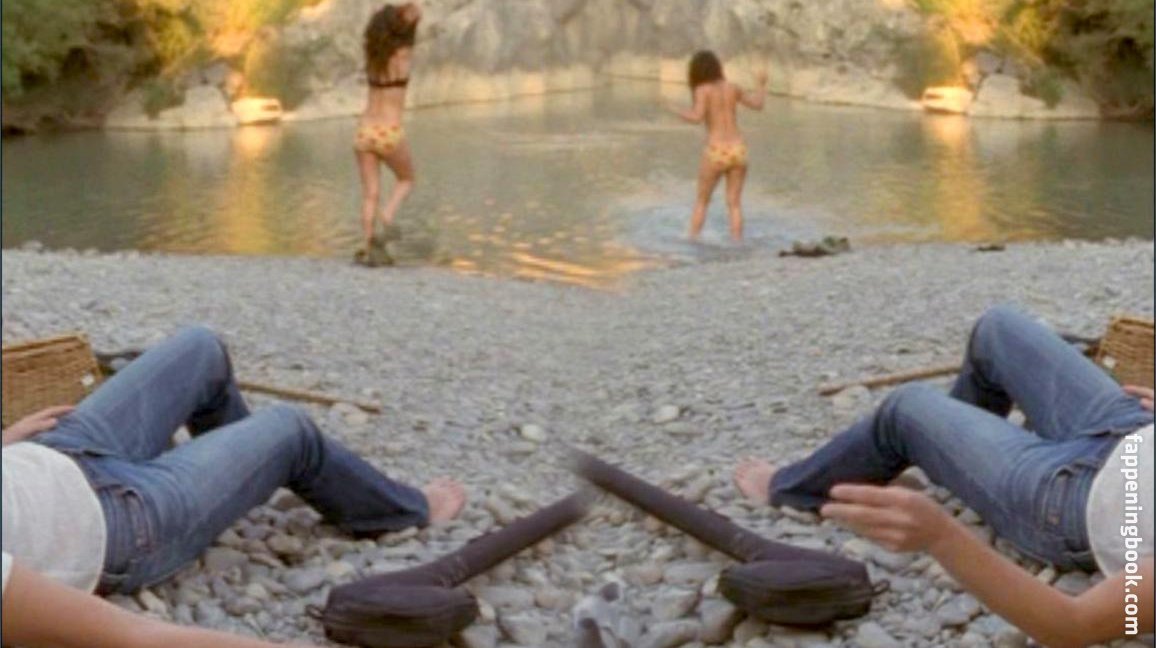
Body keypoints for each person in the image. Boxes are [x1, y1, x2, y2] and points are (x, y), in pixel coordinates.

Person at [2, 325, 466, 647]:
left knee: (201, 348)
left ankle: (241, 481)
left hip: (53, 452)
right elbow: (133, 636)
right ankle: (408, 509)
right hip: (120, 520)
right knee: (291, 429)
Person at [734, 305, 1154, 647]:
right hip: (1131, 430)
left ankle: (786, 488)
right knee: (997, 329)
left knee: (905, 408)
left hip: (1072, 498)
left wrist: (940, 535)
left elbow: (1073, 625)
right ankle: (955, 463)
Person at [665, 50, 767, 242]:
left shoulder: (702, 90)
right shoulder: (732, 88)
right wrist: (761, 84)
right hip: (738, 148)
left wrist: (674, 109)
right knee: (734, 204)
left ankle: (692, 241)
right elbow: (758, 105)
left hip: (716, 150)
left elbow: (696, 117)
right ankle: (737, 244)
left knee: (702, 201)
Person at [353, 2, 422, 267]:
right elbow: (415, 17)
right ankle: (388, 215)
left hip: (364, 131)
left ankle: (368, 246)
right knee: (407, 179)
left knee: (370, 193)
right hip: (389, 130)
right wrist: (407, 10)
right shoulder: (402, 56)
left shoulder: (373, 58)